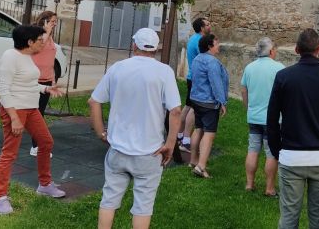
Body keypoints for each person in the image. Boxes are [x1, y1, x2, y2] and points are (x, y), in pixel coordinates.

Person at [88, 28, 181, 229]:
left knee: (109, 199)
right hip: (150, 152)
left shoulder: (117, 68)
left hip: (118, 149)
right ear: (156, 49)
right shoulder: (164, 71)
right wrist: (170, 144)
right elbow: (175, 111)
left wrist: (100, 132)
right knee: (143, 206)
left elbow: (94, 101)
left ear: (134, 46)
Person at [267, 28, 319, 229]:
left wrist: (277, 149)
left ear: (296, 49)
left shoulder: (284, 77)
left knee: (288, 216)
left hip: (293, 155)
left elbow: (272, 118)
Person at [0, 25, 65, 215]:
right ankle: (1, 197)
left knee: (46, 142)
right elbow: (4, 90)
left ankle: (44, 184)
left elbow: (27, 83)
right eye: (40, 40)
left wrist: (45, 89)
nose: (43, 43)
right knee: (9, 153)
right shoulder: (10, 57)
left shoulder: (27, 57)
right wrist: (15, 118)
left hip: (31, 109)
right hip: (14, 110)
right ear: (30, 42)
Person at [241, 37, 284, 196]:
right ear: (271, 51)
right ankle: (270, 188)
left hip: (253, 116)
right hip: (272, 119)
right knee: (271, 153)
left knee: (253, 149)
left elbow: (244, 90)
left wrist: (248, 108)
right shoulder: (279, 68)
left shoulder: (249, 67)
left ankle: (249, 184)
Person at [189, 33, 229, 179]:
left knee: (198, 129)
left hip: (196, 100)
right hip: (208, 103)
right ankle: (201, 166)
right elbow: (215, 82)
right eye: (216, 43)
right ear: (209, 46)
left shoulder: (197, 59)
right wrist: (222, 101)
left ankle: (193, 161)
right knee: (209, 133)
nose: (219, 46)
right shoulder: (212, 62)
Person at [178, 17, 211, 152]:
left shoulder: (193, 38)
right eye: (208, 24)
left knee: (188, 106)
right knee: (194, 108)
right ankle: (186, 141)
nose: (210, 26)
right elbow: (205, 59)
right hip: (197, 78)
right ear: (202, 28)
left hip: (192, 77)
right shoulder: (199, 41)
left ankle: (179, 134)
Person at [30, 11, 58, 157]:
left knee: (39, 114)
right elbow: (38, 48)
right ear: (45, 21)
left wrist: (53, 79)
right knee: (37, 115)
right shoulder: (37, 34)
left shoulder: (50, 37)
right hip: (36, 81)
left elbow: (51, 60)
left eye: (55, 21)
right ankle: (35, 147)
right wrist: (46, 31)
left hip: (47, 80)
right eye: (53, 21)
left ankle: (36, 145)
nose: (55, 24)